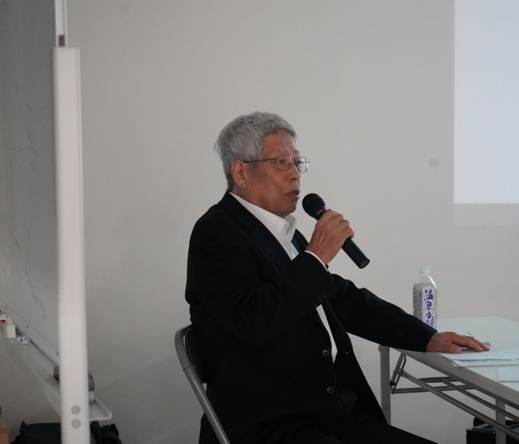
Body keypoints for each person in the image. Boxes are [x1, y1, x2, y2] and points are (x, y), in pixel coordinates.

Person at [185, 112, 488, 444]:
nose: (295, 174)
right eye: (281, 162)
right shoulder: (217, 233)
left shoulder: (283, 233)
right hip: (271, 424)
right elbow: (253, 322)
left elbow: (342, 300)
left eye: (298, 162)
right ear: (241, 172)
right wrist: (315, 258)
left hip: (329, 417)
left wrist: (425, 337)